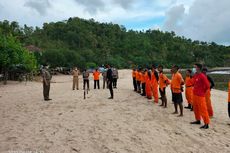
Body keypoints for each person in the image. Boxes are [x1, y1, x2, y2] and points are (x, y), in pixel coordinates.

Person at [190, 64, 210, 129]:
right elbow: (193, 82)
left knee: (203, 109)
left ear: (198, 68)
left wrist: (203, 91)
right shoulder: (196, 75)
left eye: (195, 67)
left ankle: (206, 123)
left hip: (200, 96)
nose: (194, 68)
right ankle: (198, 120)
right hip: (194, 94)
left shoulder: (202, 76)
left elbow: (207, 85)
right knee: (195, 108)